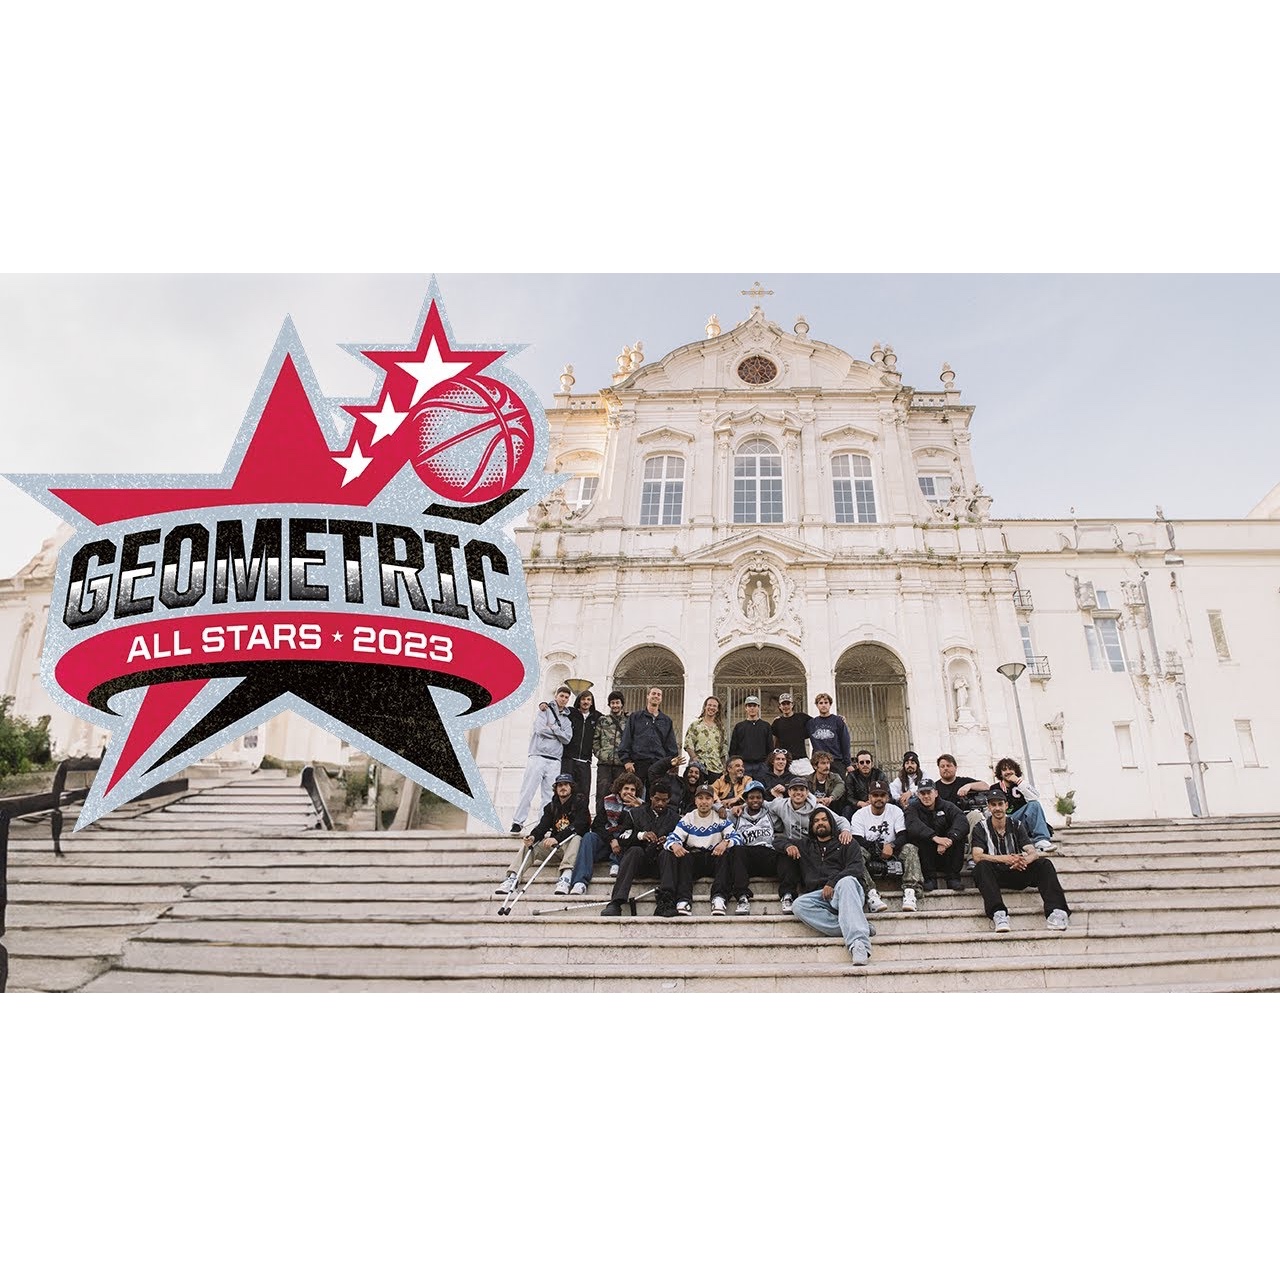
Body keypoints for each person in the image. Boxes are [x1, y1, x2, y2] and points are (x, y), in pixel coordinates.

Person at [970, 787, 1070, 934]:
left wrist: (1023, 861)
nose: (997, 808)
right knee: (981, 867)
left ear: (1006, 805)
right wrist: (1005, 859)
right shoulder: (981, 827)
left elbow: (1032, 852)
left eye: (1000, 804)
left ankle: (1057, 912)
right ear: (989, 807)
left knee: (1045, 864)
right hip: (996, 874)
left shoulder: (1016, 824)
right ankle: (999, 914)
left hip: (1017, 870)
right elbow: (977, 856)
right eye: (993, 805)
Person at [789, 807, 874, 968]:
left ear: (832, 822)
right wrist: (788, 846)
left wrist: (832, 882)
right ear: (812, 826)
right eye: (816, 821)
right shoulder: (806, 845)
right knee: (798, 905)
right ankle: (859, 926)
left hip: (846, 891)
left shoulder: (846, 842)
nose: (820, 823)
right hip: (821, 895)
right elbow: (776, 841)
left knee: (846, 881)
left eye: (824, 819)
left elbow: (856, 868)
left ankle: (859, 944)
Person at [766, 774, 856, 913]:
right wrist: (738, 808)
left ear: (807, 792)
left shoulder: (817, 808)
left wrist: (845, 831)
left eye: (802, 789)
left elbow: (841, 820)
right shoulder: (780, 805)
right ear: (789, 792)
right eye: (794, 789)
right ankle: (788, 895)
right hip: (796, 846)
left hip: (813, 848)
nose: (798, 793)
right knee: (785, 853)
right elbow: (762, 804)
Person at [495, 773, 589, 898]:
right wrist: (533, 837)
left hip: (573, 848)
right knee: (530, 846)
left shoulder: (580, 803)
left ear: (571, 787)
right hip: (556, 848)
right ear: (555, 788)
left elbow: (579, 826)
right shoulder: (551, 807)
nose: (563, 787)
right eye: (559, 785)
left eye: (566, 784)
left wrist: (556, 838)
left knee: (576, 837)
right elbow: (542, 826)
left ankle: (565, 878)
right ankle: (513, 879)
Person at [602, 782, 681, 918]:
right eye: (657, 799)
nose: (660, 803)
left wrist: (668, 841)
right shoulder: (635, 813)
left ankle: (666, 902)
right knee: (634, 850)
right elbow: (622, 837)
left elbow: (682, 839)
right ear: (651, 797)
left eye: (664, 800)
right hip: (639, 864)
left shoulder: (675, 818)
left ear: (669, 800)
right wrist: (641, 835)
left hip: (661, 865)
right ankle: (616, 902)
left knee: (668, 853)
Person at [664, 783, 741, 916]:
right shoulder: (689, 817)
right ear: (695, 801)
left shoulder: (720, 818)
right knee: (685, 857)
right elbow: (672, 838)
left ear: (712, 801)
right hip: (695, 857)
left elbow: (737, 838)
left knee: (725, 856)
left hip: (714, 856)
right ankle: (683, 900)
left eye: (708, 798)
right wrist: (675, 845)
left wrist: (725, 842)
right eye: (700, 798)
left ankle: (719, 898)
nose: (704, 802)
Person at [509, 687, 574, 833]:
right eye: (562, 696)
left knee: (549, 795)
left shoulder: (566, 720)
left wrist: (554, 729)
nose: (563, 699)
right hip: (537, 756)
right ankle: (518, 822)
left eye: (566, 697)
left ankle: (543, 824)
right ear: (556, 696)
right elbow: (539, 730)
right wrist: (558, 733)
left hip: (555, 760)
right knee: (528, 790)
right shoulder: (545, 711)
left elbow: (567, 738)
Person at [848, 779, 919, 913]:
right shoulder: (859, 814)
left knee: (910, 848)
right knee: (856, 851)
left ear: (887, 797)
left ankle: (910, 892)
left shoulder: (896, 811)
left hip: (893, 850)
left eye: (882, 795)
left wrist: (892, 845)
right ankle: (871, 894)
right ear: (869, 797)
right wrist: (880, 847)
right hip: (870, 850)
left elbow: (903, 835)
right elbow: (857, 839)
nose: (879, 798)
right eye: (875, 795)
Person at [728, 779, 797, 914]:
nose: (755, 800)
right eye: (751, 797)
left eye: (759, 797)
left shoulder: (770, 814)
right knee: (736, 850)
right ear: (746, 799)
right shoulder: (736, 815)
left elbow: (786, 804)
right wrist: (735, 807)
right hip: (746, 858)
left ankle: (787, 895)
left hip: (767, 854)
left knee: (786, 853)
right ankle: (742, 897)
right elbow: (716, 810)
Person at [569, 771, 644, 895]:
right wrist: (611, 840)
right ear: (619, 790)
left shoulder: (641, 806)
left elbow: (642, 828)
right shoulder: (608, 801)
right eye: (626, 788)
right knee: (589, 837)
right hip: (607, 842)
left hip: (626, 845)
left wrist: (638, 808)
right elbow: (597, 825)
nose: (629, 792)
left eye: (632, 790)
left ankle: (616, 863)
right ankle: (580, 882)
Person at [904, 777, 969, 891]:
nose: (926, 796)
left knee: (959, 836)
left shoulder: (948, 806)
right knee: (918, 837)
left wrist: (949, 840)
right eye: (922, 793)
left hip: (947, 853)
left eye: (929, 792)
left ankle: (953, 878)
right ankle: (929, 879)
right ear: (918, 795)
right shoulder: (912, 808)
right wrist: (934, 837)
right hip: (927, 855)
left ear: (936, 793)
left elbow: (962, 821)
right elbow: (912, 825)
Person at [991, 757, 1056, 852]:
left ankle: (1041, 841)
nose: (1008, 772)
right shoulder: (995, 788)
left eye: (1010, 769)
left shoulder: (1022, 784)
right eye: (1004, 770)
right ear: (1000, 773)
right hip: (1005, 821)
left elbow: (1034, 797)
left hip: (1022, 820)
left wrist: (1018, 782)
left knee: (1034, 804)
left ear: (1015, 771)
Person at [619, 686, 679, 778]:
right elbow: (626, 739)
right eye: (653, 693)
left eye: (659, 695)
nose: (656, 696)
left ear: (661, 698)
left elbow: (671, 745)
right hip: (637, 764)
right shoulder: (635, 717)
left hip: (658, 765)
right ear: (647, 696)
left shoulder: (666, 721)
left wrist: (668, 763)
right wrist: (626, 761)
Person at [591, 690, 629, 821]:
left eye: (617, 702)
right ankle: (600, 822)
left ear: (622, 704)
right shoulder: (603, 720)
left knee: (620, 794)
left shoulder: (628, 721)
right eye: (612, 703)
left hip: (621, 764)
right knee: (602, 793)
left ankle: (618, 821)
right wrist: (599, 754)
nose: (615, 705)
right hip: (604, 764)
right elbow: (595, 739)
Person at [933, 753, 991, 836]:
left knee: (975, 815)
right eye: (942, 766)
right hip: (943, 822)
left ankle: (973, 844)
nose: (945, 768)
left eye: (948, 765)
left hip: (964, 819)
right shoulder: (934, 787)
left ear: (955, 767)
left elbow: (986, 786)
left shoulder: (964, 781)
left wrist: (969, 786)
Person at [561, 689, 602, 805]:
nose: (586, 702)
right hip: (569, 760)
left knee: (584, 793)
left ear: (592, 702)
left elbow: (612, 719)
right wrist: (544, 704)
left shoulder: (597, 717)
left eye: (588, 699)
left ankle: (582, 815)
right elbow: (556, 709)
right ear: (579, 701)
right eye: (583, 699)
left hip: (585, 761)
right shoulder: (570, 713)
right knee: (566, 791)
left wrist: (626, 715)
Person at [683, 696, 728, 782]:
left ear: (718, 709)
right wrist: (694, 758)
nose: (711, 708)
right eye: (709, 705)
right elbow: (688, 744)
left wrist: (724, 768)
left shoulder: (721, 729)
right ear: (705, 707)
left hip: (716, 769)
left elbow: (723, 750)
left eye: (714, 706)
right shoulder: (695, 725)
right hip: (699, 768)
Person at [729, 696, 773, 783]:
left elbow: (770, 747)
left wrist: (768, 764)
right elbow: (733, 748)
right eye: (749, 706)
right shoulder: (739, 726)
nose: (752, 708)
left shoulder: (766, 726)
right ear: (746, 708)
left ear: (758, 707)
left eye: (754, 705)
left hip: (762, 765)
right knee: (743, 789)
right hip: (744, 765)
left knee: (762, 788)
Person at [806, 693, 851, 773]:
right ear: (817, 705)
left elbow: (845, 742)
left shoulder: (838, 721)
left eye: (826, 702)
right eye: (821, 703)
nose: (823, 705)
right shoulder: (811, 723)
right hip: (819, 762)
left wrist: (848, 763)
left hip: (836, 761)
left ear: (830, 704)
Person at [770, 692, 812, 761]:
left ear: (792, 705)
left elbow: (815, 725)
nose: (786, 706)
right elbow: (775, 741)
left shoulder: (802, 717)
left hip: (801, 758)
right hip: (784, 759)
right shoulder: (777, 722)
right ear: (780, 706)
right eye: (783, 704)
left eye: (788, 703)